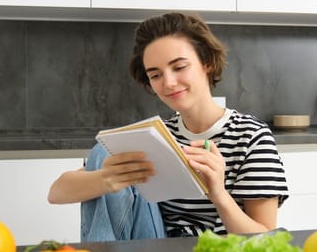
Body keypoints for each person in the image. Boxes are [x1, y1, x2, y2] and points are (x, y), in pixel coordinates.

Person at [48, 12, 289, 240]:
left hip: (215, 246)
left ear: (206, 62)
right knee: (103, 153)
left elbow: (264, 240)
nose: (169, 83)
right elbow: (56, 193)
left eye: (179, 67)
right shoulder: (156, 136)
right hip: (155, 242)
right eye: (155, 75)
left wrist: (218, 194)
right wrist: (107, 179)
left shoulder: (250, 137)